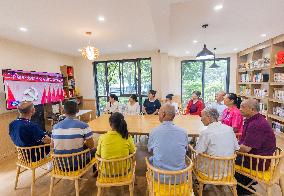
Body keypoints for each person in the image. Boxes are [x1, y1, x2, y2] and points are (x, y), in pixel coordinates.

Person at [235, 99, 276, 195]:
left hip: (258, 161)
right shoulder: (253, 120)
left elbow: (245, 149)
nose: (240, 109)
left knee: (227, 158)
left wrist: (231, 148)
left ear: (252, 109)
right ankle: (246, 184)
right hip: (256, 156)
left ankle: (242, 190)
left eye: (243, 107)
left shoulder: (256, 124)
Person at [148, 104, 188, 182]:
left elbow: (149, 150)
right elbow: (185, 150)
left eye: (159, 112)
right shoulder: (183, 132)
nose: (158, 114)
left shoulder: (154, 131)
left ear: (163, 114)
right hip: (180, 177)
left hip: (160, 177)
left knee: (151, 158)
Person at [195, 108, 239, 178]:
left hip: (211, 172)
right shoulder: (229, 129)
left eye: (202, 116)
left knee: (191, 158)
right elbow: (236, 147)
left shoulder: (206, 132)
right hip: (228, 170)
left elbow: (198, 150)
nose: (201, 119)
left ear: (208, 117)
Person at [51, 101, 95, 170]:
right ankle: (95, 173)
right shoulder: (84, 126)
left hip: (59, 165)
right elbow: (91, 145)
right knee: (94, 150)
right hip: (78, 164)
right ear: (77, 111)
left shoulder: (55, 127)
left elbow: (52, 145)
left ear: (63, 111)